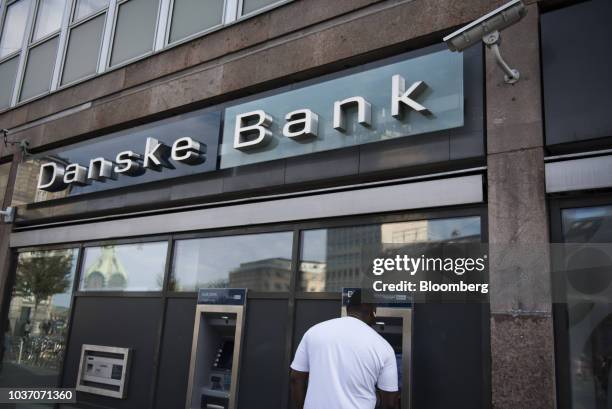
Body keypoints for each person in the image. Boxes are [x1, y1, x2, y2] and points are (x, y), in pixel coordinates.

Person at [290, 289, 399, 409]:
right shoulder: (384, 347)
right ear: (373, 312)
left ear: (348, 309)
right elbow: (389, 403)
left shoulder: (314, 332)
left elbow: (296, 379)